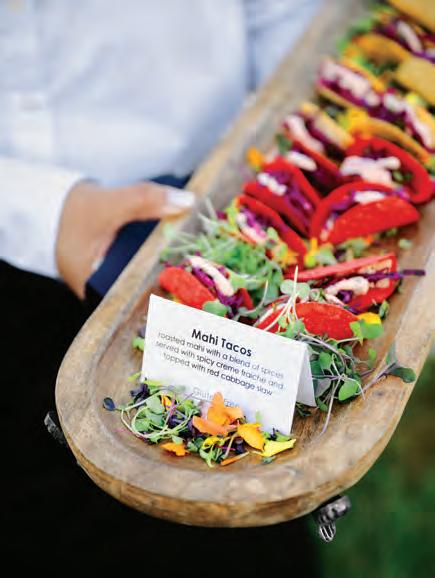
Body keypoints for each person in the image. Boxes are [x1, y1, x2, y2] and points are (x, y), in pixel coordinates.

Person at [1, 1, 323, 573]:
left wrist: (295, 151)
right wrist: (35, 210)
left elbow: (286, 15)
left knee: (235, 516)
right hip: (16, 267)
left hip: (228, 217)